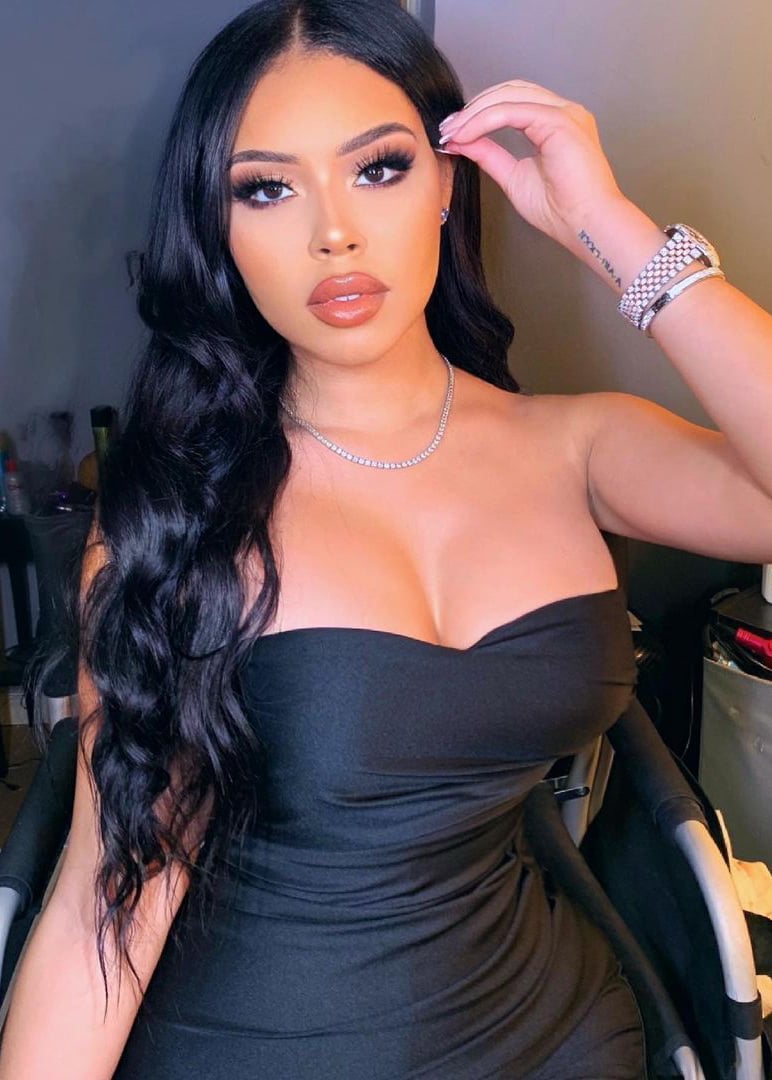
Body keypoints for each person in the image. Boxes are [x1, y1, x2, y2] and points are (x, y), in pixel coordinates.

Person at [3, 1, 772, 1076]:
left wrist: (607, 227)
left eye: (379, 168)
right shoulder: (182, 524)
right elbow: (111, 901)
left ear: (448, 181)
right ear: (217, 231)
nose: (334, 231)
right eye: (266, 188)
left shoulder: (576, 446)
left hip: (558, 1029)